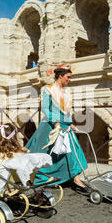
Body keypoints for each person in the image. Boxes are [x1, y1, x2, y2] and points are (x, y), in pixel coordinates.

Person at [25, 63, 90, 192]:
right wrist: (55, 122)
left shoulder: (66, 92)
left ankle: (75, 179)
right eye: (68, 77)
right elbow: (45, 108)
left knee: (71, 152)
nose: (69, 80)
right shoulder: (48, 89)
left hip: (65, 125)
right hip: (51, 125)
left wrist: (70, 123)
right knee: (47, 154)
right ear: (60, 76)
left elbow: (66, 111)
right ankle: (45, 177)